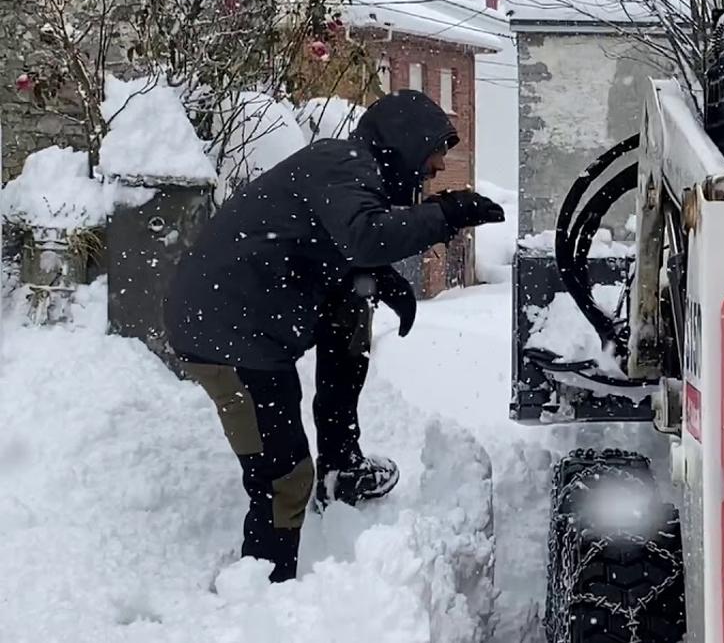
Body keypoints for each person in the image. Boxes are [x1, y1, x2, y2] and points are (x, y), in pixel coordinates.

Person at [163, 89, 504, 583]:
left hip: (251, 315)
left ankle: (342, 467)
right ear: (404, 144)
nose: (434, 173)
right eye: (431, 161)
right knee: (283, 477)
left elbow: (338, 244)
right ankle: (264, 591)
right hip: (228, 334)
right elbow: (365, 236)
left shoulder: (348, 171)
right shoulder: (342, 163)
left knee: (351, 314)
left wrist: (384, 280)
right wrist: (447, 213)